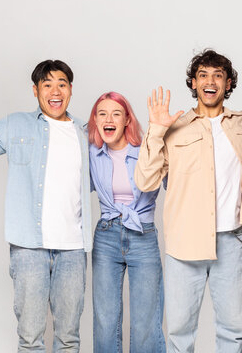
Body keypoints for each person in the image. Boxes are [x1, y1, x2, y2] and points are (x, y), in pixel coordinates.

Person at [0, 60, 91, 352]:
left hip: (73, 249)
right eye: (47, 84)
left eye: (61, 84)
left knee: (69, 339)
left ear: (71, 90)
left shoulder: (86, 133)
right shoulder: (16, 124)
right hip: (29, 249)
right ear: (36, 90)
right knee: (30, 339)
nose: (55, 90)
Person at [134, 49, 242, 352]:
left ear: (228, 83)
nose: (210, 81)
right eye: (203, 75)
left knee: (234, 331)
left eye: (218, 75)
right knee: (180, 333)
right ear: (193, 83)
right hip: (183, 246)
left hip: (232, 242)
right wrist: (156, 129)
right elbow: (145, 181)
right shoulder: (173, 128)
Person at [87, 91, 165, 353]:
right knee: (105, 318)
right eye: (102, 114)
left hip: (143, 234)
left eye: (116, 113)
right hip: (106, 235)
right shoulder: (92, 155)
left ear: (127, 120)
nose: (109, 119)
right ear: (96, 121)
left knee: (146, 319)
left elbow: (175, 183)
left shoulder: (147, 151)